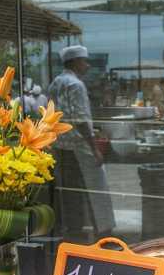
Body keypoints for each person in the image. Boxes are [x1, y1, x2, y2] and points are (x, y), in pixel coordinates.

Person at [48, 45, 115, 238]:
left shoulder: (56, 83)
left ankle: (74, 231)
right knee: (96, 189)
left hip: (62, 147)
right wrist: (95, 148)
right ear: (76, 62)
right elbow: (81, 120)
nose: (86, 66)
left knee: (71, 193)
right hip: (79, 147)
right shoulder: (76, 85)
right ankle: (103, 232)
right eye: (84, 61)